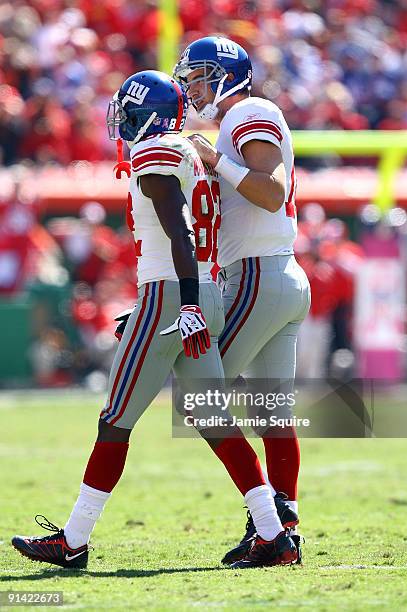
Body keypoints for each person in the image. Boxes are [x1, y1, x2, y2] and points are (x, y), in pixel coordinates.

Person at [11, 70, 298, 570]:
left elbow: (178, 234)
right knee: (213, 419)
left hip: (174, 297)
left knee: (114, 420)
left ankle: (73, 539)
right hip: (199, 292)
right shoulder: (191, 151)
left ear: (145, 113)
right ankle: (274, 535)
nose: (120, 119)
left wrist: (179, 302)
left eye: (126, 109)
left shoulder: (157, 152)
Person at [174, 36, 311, 565]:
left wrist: (215, 160)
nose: (194, 86)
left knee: (198, 395)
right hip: (274, 274)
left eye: (202, 75)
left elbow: (271, 190)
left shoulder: (248, 111)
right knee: (273, 416)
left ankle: (269, 528)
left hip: (259, 275)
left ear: (229, 74)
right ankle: (284, 526)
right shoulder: (236, 120)